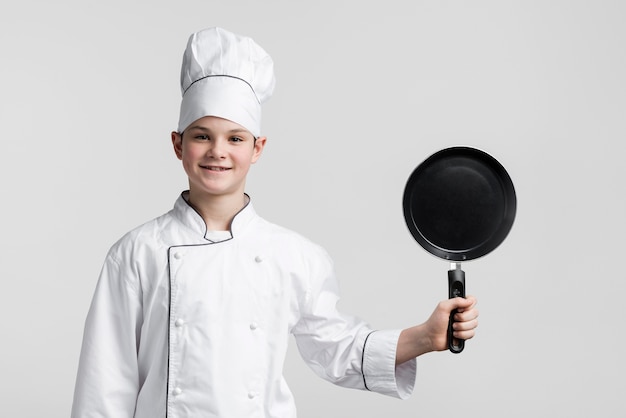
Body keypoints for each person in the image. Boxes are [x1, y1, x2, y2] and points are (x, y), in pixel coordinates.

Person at [71, 27, 478, 418]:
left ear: (257, 148)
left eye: (235, 138)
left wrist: (425, 336)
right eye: (201, 136)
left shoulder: (294, 256)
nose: (218, 152)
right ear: (178, 144)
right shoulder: (137, 252)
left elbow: (337, 348)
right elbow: (106, 383)